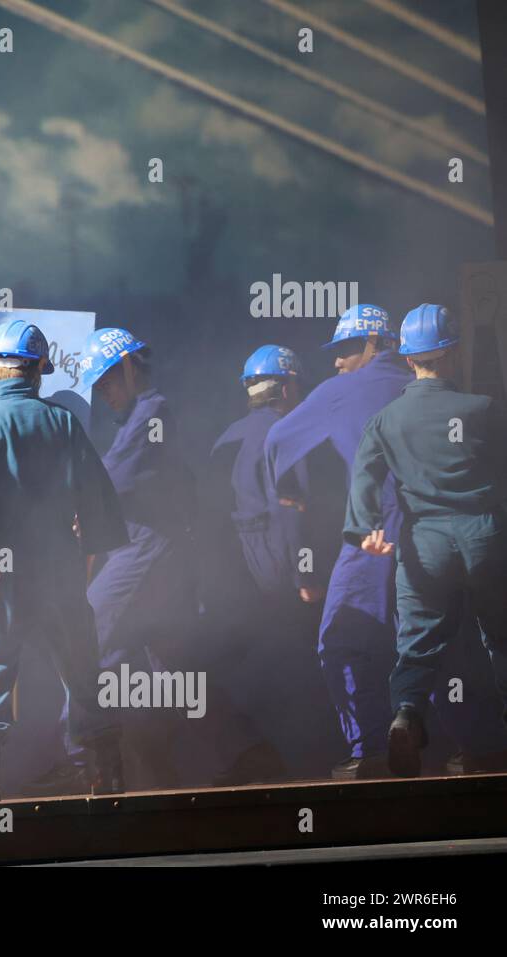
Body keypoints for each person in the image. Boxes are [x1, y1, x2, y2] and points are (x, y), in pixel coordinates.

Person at [266, 304, 506, 778]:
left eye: (347, 348)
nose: (337, 361)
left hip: (383, 536)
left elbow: (278, 441)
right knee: (454, 643)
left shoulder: (344, 393)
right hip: (458, 533)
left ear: (379, 344)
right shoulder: (462, 400)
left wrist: (293, 491)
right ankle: (483, 748)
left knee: (345, 641)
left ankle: (373, 748)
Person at [0, 319, 127, 802]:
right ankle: (108, 777)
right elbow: (99, 500)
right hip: (58, 564)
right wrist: (86, 553)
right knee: (81, 666)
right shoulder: (63, 422)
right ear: (39, 371)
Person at [76, 327, 272, 788]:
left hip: (148, 549)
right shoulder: (134, 419)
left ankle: (85, 756)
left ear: (128, 366)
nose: (103, 392)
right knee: (172, 665)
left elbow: (118, 476)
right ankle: (243, 751)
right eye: (97, 385)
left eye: (107, 379)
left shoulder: (153, 412)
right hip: (156, 552)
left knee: (87, 634)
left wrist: (75, 498)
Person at [347, 305, 507, 776]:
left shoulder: (386, 419)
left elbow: (364, 478)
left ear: (408, 358)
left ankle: (407, 716)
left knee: (416, 644)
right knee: (502, 637)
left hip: (425, 542)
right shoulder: (485, 410)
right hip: (486, 536)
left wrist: (365, 529)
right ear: (453, 354)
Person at [205, 346, 335, 781]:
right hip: (281, 576)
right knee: (295, 672)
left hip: (236, 580)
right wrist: (306, 574)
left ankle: (249, 757)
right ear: (288, 386)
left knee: (251, 669)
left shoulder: (226, 437)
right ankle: (298, 770)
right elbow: (290, 509)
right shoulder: (289, 431)